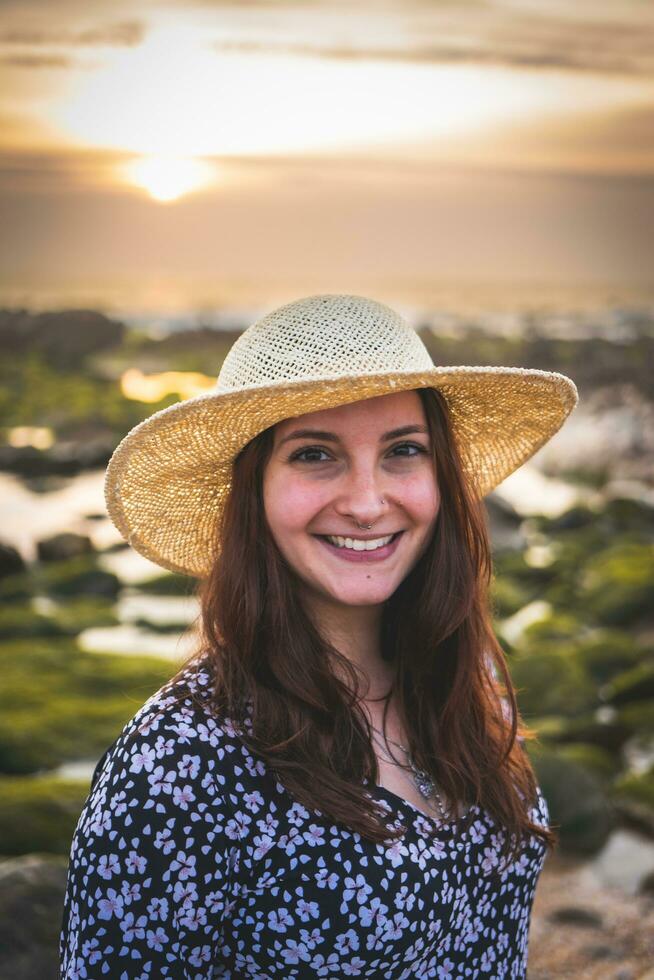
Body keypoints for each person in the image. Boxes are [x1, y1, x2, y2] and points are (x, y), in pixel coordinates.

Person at [59, 293, 578, 978]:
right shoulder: (179, 766)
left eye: (404, 450)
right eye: (313, 454)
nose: (366, 502)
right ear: (254, 492)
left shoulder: (462, 675)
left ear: (440, 476)